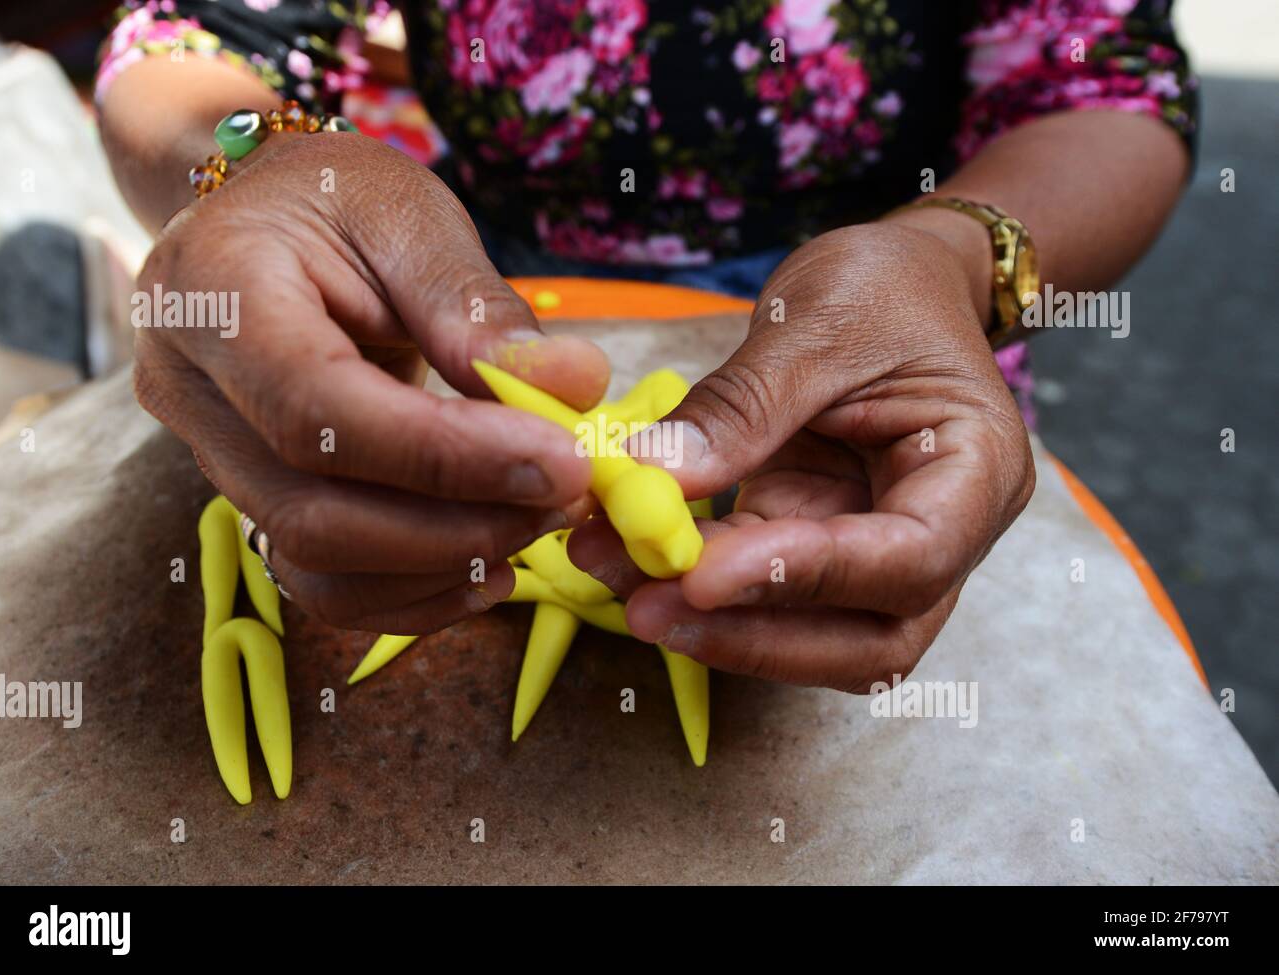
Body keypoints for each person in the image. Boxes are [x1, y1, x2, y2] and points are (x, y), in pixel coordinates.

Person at [95, 0, 1195, 690]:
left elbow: (1102, 85)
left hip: (885, 376)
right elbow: (191, 40)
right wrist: (260, 169)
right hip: (494, 335)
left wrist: (953, 264)